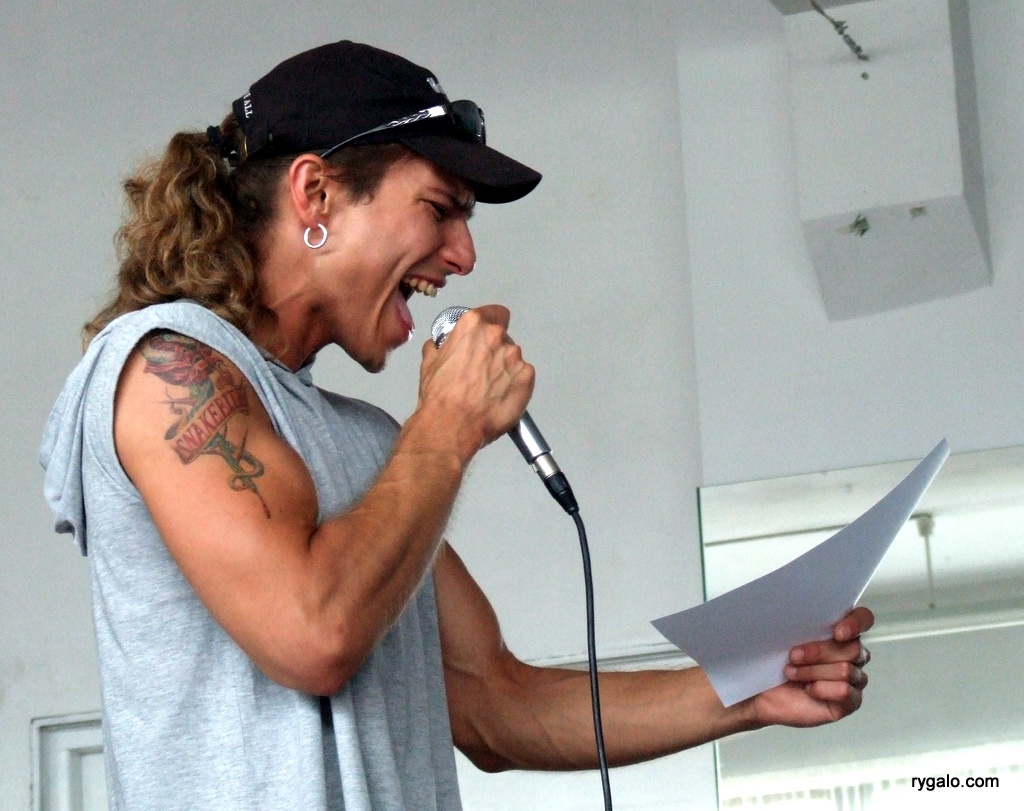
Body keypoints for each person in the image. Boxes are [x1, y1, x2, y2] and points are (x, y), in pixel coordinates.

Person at [40, 40, 874, 810]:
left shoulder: (374, 443)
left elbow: (492, 702)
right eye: (441, 208)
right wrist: (447, 423)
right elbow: (312, 633)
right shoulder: (162, 368)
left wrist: (746, 690)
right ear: (315, 193)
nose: (464, 255)